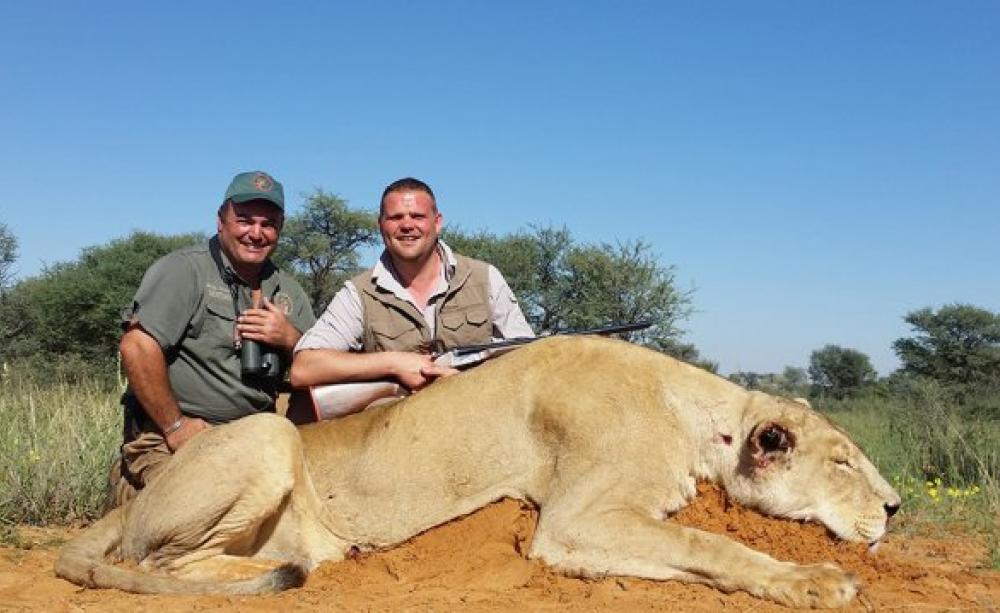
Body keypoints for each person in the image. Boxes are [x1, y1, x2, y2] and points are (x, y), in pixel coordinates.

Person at [110, 171, 315, 505]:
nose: (256, 233)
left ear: (281, 227)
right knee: (206, 509)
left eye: (268, 223)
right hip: (172, 439)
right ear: (221, 221)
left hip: (254, 441)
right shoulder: (184, 270)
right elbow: (136, 346)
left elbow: (318, 364)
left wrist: (289, 337)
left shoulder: (289, 291)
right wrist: (176, 427)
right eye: (245, 221)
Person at [291, 177, 533, 393]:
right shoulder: (358, 293)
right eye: (395, 217)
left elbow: (530, 359)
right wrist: (394, 363)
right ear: (380, 225)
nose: (407, 225)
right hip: (400, 433)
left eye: (417, 216)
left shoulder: (485, 277)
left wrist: (463, 384)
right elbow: (304, 368)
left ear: (437, 222)